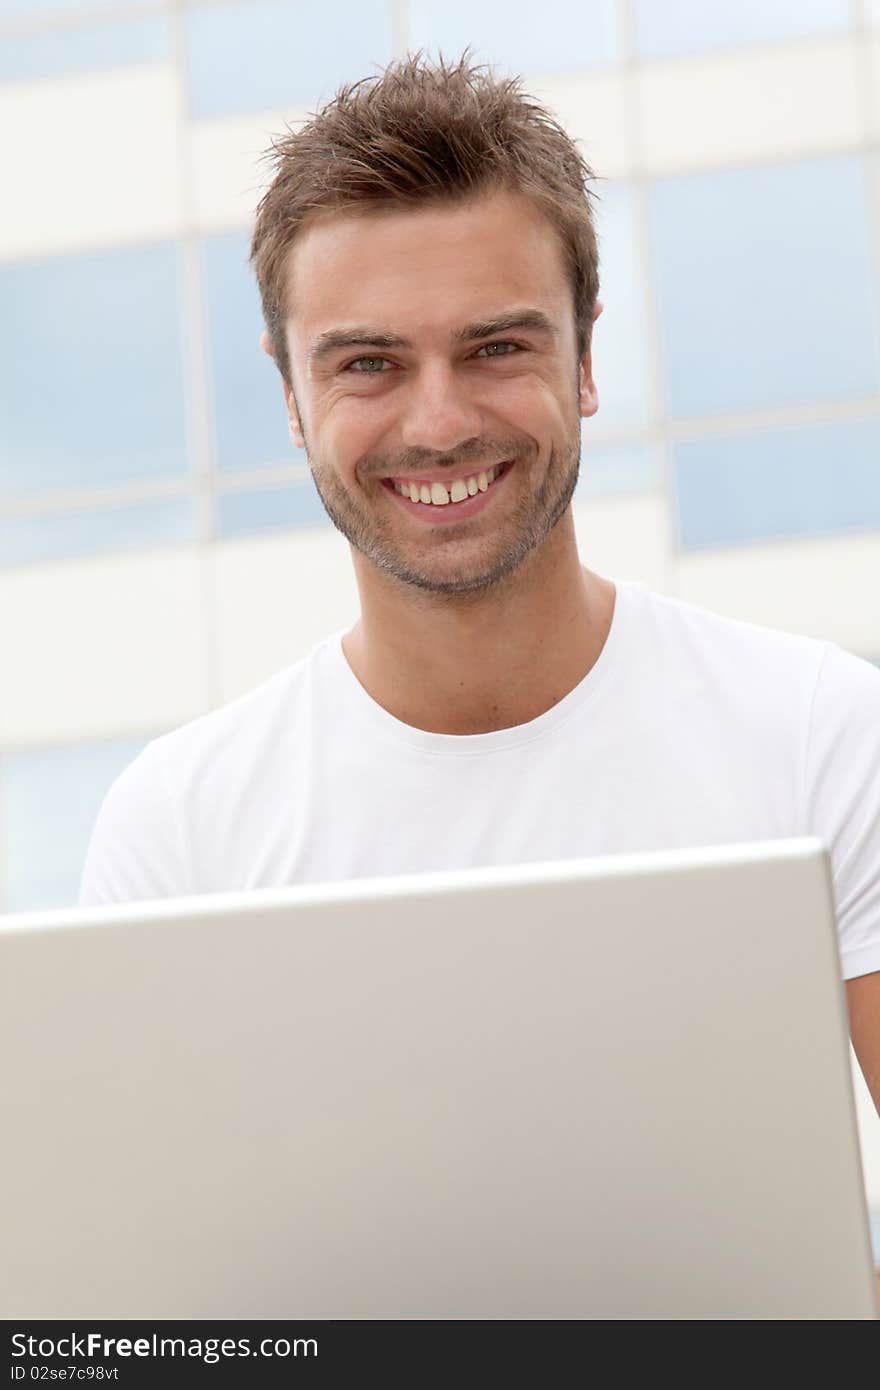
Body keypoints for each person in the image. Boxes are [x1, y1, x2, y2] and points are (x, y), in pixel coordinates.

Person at [79, 52, 880, 1120]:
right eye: (367, 363)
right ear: (289, 394)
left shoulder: (820, 735)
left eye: (495, 345)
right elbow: (140, 1270)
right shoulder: (182, 826)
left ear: (585, 359)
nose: (439, 422)